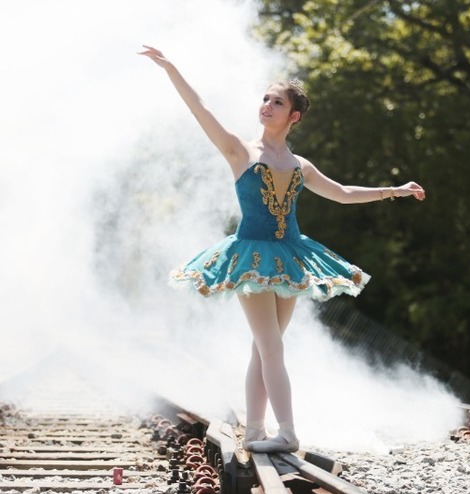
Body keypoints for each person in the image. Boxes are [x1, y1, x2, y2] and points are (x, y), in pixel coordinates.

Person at [140, 45, 426, 453]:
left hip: (291, 256)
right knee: (271, 345)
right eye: (265, 98)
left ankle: (259, 430)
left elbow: (342, 193)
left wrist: (394, 190)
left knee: (264, 346)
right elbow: (200, 110)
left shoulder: (299, 164)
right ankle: (284, 431)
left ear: (294, 116)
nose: (267, 105)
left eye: (278, 101)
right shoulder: (241, 150)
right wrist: (172, 70)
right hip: (252, 260)